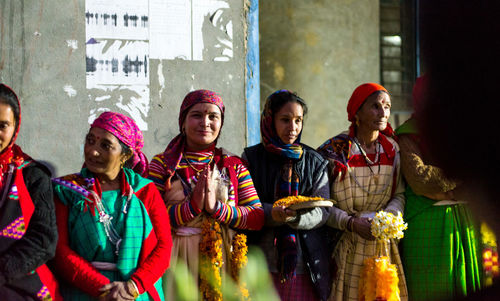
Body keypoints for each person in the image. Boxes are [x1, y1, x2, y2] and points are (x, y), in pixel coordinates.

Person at [147, 89, 264, 300]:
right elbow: (148, 218)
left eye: (213, 116)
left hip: (224, 264)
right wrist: (191, 208)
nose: (205, 122)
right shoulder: (162, 165)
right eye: (196, 115)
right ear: (183, 122)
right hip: (176, 262)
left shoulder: (233, 165)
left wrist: (217, 209)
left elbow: (256, 217)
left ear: (221, 124)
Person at [52, 112, 172, 300]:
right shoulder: (67, 191)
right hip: (84, 290)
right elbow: (60, 251)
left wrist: (133, 286)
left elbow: (164, 247)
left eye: (105, 145)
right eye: (90, 141)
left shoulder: (145, 191)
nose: (93, 151)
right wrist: (104, 290)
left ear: (126, 155)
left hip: (135, 292)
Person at [317, 83, 408, 301]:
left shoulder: (392, 149)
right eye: (375, 106)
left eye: (387, 106)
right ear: (357, 111)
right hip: (348, 244)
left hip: (383, 247)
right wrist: (350, 223)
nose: (383, 112)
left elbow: (399, 194)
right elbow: (322, 203)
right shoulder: (334, 151)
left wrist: (389, 219)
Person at [396, 76, 482, 300]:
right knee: (431, 289)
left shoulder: (464, 133)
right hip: (427, 224)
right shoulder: (407, 134)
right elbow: (421, 179)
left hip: (465, 222)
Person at [243, 90, 332, 301]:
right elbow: (244, 202)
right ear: (269, 119)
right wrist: (272, 213)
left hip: (303, 266)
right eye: (285, 120)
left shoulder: (315, 161)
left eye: (298, 120)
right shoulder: (252, 158)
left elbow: (324, 209)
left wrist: (295, 217)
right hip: (260, 262)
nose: (292, 128)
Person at [0, 84, 61, 300]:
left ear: (15, 127)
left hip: (22, 289)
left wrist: (3, 271)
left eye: (2, 126)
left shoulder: (32, 175)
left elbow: (45, 239)